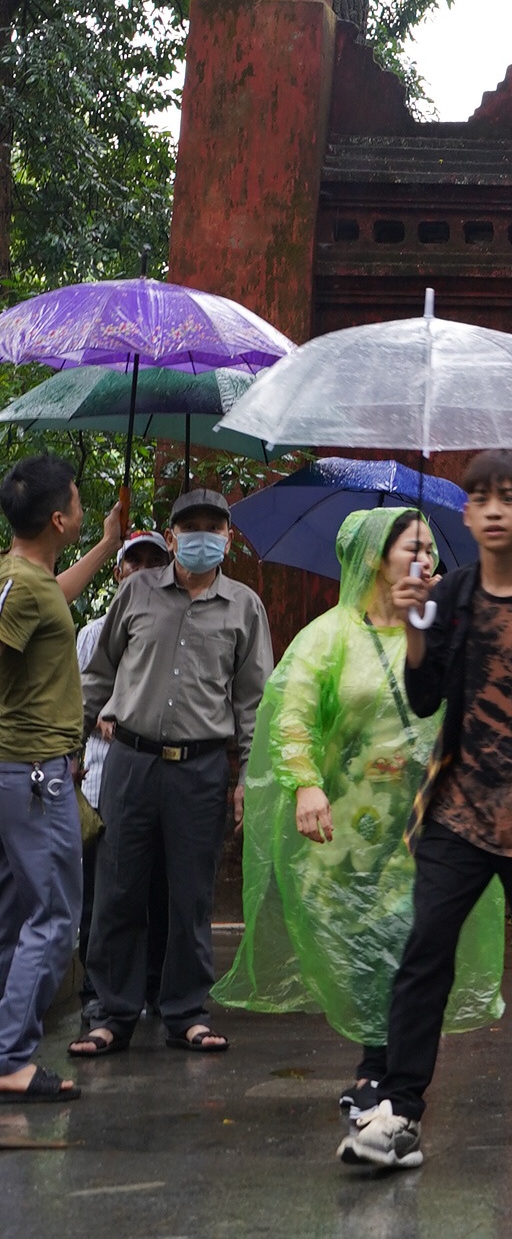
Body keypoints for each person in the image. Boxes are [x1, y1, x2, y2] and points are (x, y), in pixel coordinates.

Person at [340, 451, 512, 1172]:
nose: (494, 510)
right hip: (458, 811)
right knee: (426, 950)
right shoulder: (450, 595)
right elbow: (426, 697)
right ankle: (400, 1109)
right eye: (482, 498)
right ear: (467, 514)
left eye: (510, 497)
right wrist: (417, 630)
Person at [217, 508, 504, 1119]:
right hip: (348, 831)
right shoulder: (329, 636)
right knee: (371, 950)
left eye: (431, 550)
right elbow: (290, 714)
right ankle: (382, 1071)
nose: (426, 561)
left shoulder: (443, 631)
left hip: (431, 823)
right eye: (413, 548)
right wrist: (305, 785)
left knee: (414, 944)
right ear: (378, 556)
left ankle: (385, 1077)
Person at [74, 486, 270, 1063]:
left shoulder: (244, 607)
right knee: (118, 890)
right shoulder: (135, 593)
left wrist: (248, 780)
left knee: (189, 897)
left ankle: (185, 1012)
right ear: (173, 534)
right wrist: (71, 743)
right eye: (192, 526)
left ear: (228, 538)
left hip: (202, 769)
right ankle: (110, 1014)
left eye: (215, 525)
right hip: (129, 763)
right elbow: (98, 675)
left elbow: (256, 702)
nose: (203, 535)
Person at [0, 457, 123, 1101]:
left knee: (13, 916)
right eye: (77, 503)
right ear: (57, 518)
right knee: (54, 919)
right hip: (31, 775)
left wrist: (106, 543)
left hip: (18, 775)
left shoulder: (24, 575)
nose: (80, 507)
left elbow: (52, 599)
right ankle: (10, 1058)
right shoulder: (21, 589)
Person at [73, 529, 170, 1033]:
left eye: (157, 560)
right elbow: (79, 698)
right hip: (100, 779)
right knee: (103, 895)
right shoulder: (93, 631)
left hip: (155, 781)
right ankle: (97, 992)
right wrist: (104, 718)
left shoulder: (174, 624)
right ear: (119, 571)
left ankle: (151, 989)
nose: (146, 569)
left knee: (156, 890)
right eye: (136, 561)